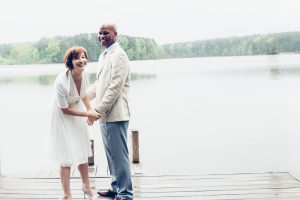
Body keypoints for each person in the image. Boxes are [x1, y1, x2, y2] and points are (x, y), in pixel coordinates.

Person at [87, 24, 133, 200]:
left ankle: (126, 195)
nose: (102, 36)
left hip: (116, 114)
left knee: (120, 157)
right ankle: (115, 188)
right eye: (99, 33)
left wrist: (97, 110)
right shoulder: (104, 55)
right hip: (105, 115)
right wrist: (80, 98)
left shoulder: (119, 55)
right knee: (111, 155)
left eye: (105, 33)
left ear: (115, 34)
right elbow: (100, 86)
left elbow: (114, 87)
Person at [47, 46, 100, 200]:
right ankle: (67, 195)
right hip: (61, 114)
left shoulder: (86, 73)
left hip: (77, 108)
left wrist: (90, 110)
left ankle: (86, 187)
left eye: (84, 57)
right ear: (70, 62)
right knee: (66, 154)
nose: (82, 61)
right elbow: (64, 109)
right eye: (77, 58)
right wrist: (87, 113)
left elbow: (83, 94)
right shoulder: (61, 82)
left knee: (82, 148)